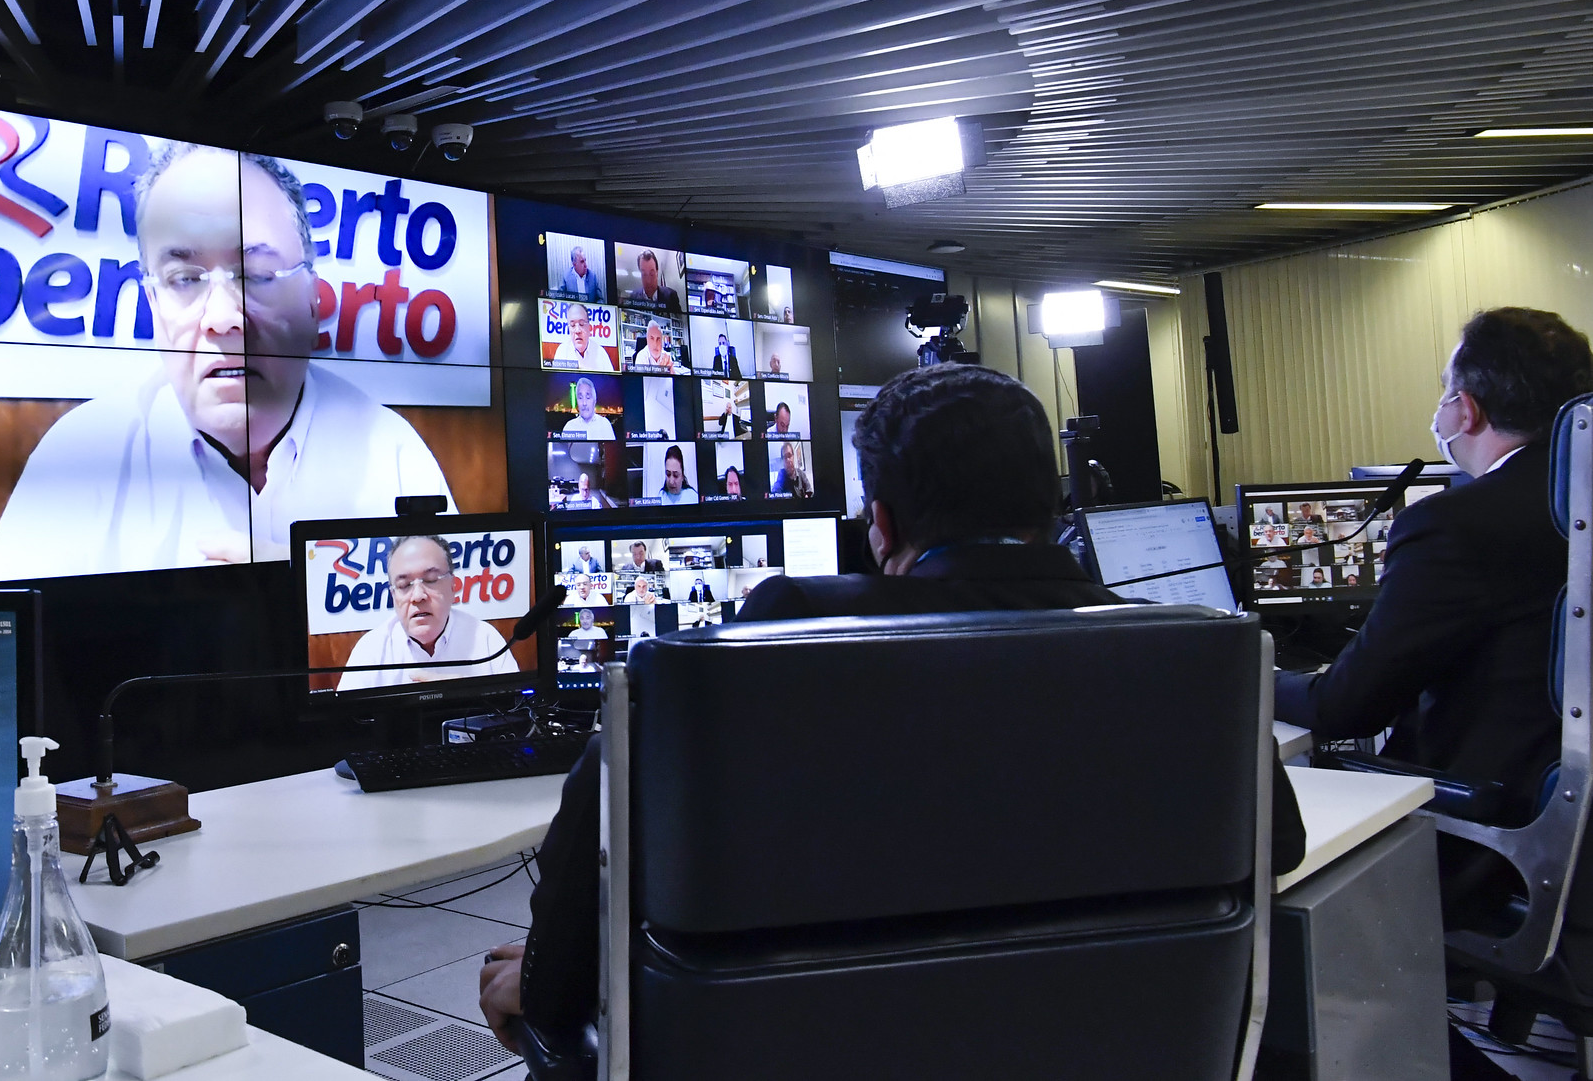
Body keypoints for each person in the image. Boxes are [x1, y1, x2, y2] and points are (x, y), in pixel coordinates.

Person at [483, 363, 1307, 1052]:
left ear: (879, 522)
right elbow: (1277, 845)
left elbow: (590, 858)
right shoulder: (1191, 649)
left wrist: (548, 980)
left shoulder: (758, 650)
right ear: (1055, 507)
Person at [0, 147, 453, 577]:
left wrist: (308, 590)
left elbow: (461, 644)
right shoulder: (79, 458)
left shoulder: (391, 453)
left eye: (258, 275)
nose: (223, 318)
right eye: (184, 278)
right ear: (153, 306)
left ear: (312, 297)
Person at [1275, 308, 1593, 821]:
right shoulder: (1576, 506)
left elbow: (1344, 708)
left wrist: (1251, 672)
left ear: (1465, 410)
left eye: (1445, 391)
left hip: (1488, 818)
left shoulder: (1453, 524)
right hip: (1566, 804)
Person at [337, 535, 518, 690]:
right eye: (404, 585)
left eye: (431, 580)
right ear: (393, 595)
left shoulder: (486, 639)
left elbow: (519, 712)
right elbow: (343, 725)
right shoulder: (371, 650)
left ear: (453, 586)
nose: (417, 596)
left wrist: (469, 692)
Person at [550, 303, 612, 371]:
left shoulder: (601, 353)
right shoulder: (562, 351)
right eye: (572, 325)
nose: (577, 330)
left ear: (589, 327)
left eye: (582, 324)